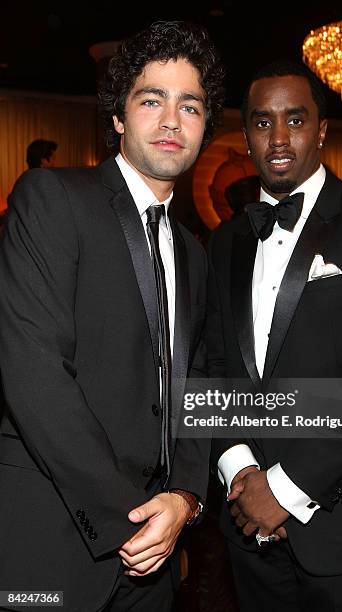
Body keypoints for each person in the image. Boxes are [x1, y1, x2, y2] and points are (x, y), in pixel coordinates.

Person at [0, 20, 224, 612]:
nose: (172, 120)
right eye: (152, 100)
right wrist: (130, 518)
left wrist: (185, 499)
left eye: (191, 106)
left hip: (157, 557)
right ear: (119, 117)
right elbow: (34, 372)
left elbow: (193, 389)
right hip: (51, 541)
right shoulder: (51, 199)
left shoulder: (196, 258)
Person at [206, 60, 342, 611]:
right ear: (246, 134)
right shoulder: (226, 241)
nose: (278, 139)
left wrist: (283, 490)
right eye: (261, 122)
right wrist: (241, 474)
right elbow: (216, 367)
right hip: (248, 531)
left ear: (321, 130)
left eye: (295, 120)